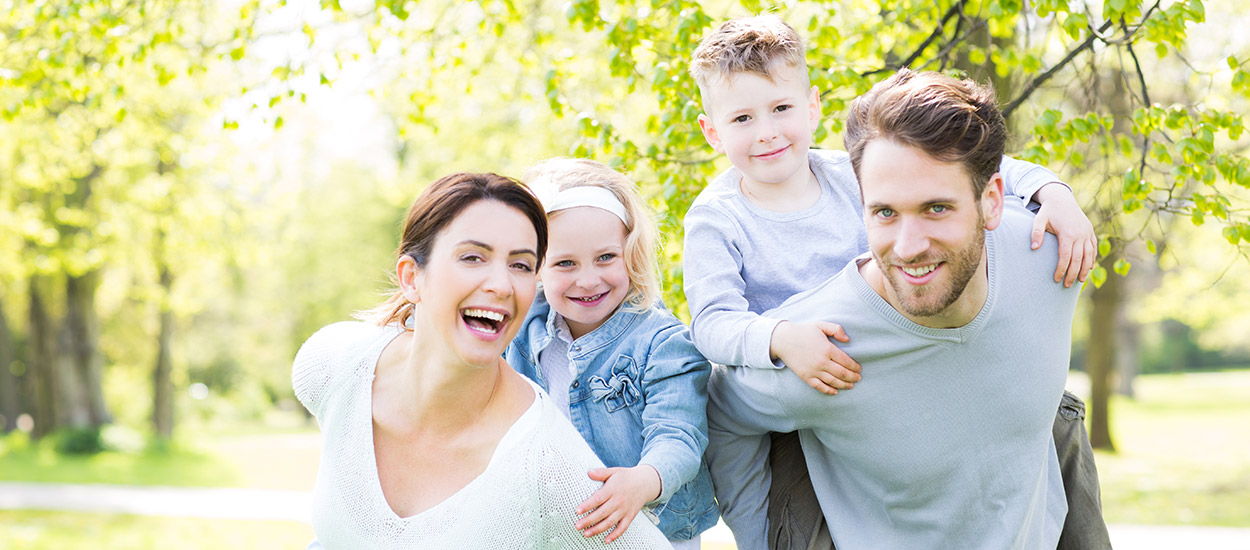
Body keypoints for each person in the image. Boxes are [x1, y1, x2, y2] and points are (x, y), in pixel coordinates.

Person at [684, 15, 1110, 550]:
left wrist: (1053, 190)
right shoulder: (716, 219)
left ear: (812, 106)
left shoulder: (852, 170)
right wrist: (778, 339)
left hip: (909, 349)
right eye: (742, 117)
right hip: (809, 381)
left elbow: (969, 164)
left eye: (781, 109)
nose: (766, 131)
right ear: (712, 130)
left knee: (1053, 419)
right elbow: (712, 324)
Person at [292, 173, 671, 549]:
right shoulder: (330, 365)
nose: (501, 285)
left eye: (521, 265)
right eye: (473, 257)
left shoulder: (546, 466)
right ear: (411, 278)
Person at [506, 158, 718, 549]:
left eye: (606, 257)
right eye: (565, 263)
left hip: (656, 530)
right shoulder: (521, 331)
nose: (588, 280)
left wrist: (644, 479)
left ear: (631, 254)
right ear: (536, 267)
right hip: (560, 530)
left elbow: (679, 435)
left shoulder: (662, 342)